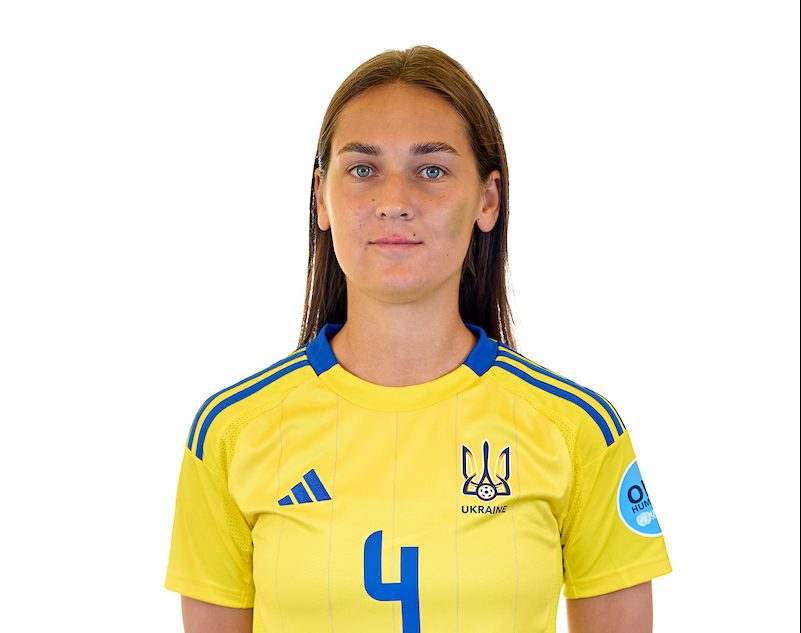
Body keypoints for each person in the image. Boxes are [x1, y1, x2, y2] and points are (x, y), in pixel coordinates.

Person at [165, 45, 671, 633]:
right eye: (363, 169)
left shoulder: (578, 431)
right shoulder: (230, 434)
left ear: (487, 200)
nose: (394, 203)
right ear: (321, 197)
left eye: (431, 170)